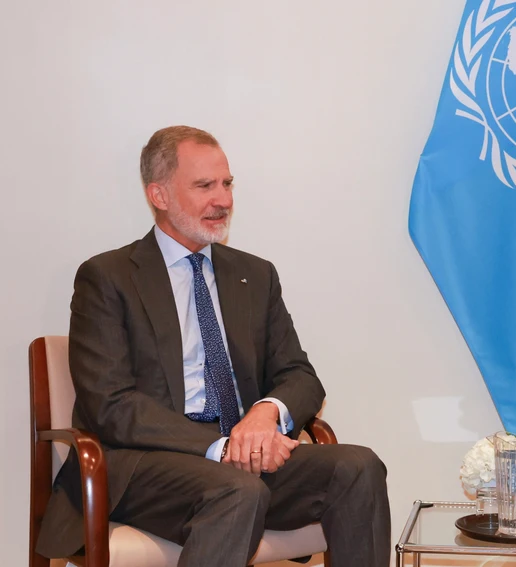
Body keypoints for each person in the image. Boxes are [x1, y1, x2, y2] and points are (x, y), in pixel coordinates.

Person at [36, 126, 390, 566]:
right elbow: (112, 405)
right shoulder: (108, 277)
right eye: (204, 186)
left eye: (227, 184)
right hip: (143, 468)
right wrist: (219, 445)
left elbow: (299, 376)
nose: (222, 199)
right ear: (159, 195)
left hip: (242, 459)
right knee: (236, 490)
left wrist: (265, 416)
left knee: (358, 468)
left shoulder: (255, 275)